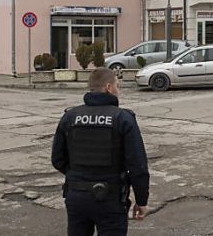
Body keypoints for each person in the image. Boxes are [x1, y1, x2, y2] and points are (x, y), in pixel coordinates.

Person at [52, 67, 150, 236]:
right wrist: (141, 200)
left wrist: (77, 175)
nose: (118, 90)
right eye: (117, 86)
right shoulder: (123, 118)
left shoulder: (70, 117)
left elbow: (57, 159)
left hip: (76, 196)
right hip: (110, 198)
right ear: (108, 87)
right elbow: (137, 165)